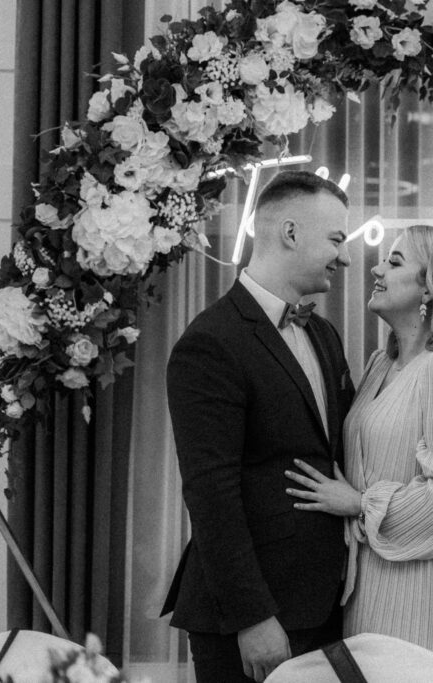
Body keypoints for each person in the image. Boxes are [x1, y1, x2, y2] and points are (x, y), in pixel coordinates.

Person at [161, 170, 355, 683]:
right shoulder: (212, 342)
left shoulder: (323, 333)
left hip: (324, 605)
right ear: (290, 233)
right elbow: (211, 493)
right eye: (336, 239)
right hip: (253, 618)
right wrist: (253, 617)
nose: (346, 258)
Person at [285, 224, 433, 668]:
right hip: (367, 582)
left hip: (422, 589)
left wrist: (359, 503)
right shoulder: (382, 364)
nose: (377, 269)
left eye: (395, 262)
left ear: (431, 287)